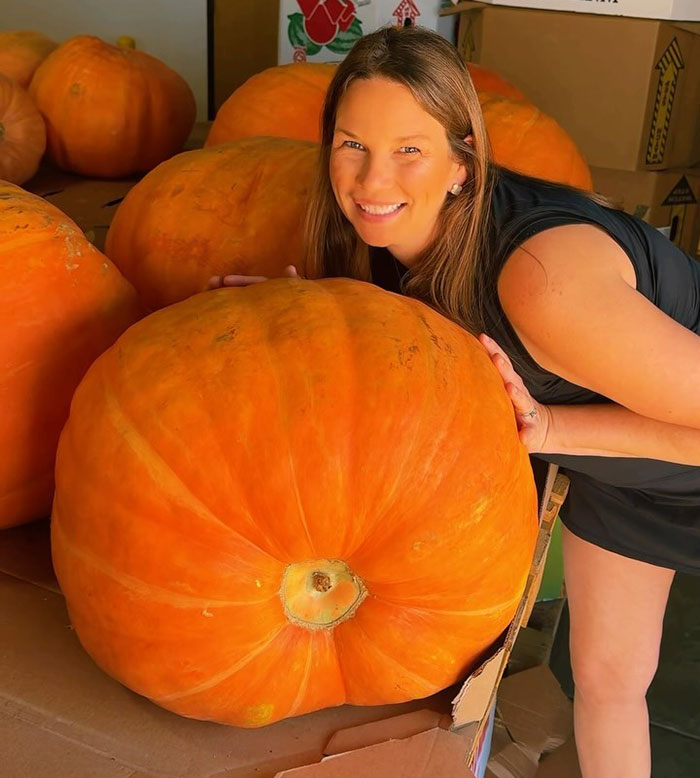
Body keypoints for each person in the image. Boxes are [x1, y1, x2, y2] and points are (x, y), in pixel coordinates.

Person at [207, 25, 700, 778]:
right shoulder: (402, 243)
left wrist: (553, 426)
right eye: (352, 145)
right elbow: (415, 334)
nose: (372, 181)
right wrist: (307, 316)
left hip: (672, 432)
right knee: (604, 682)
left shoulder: (542, 283)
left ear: (462, 164)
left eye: (409, 149)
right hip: (620, 460)